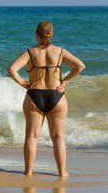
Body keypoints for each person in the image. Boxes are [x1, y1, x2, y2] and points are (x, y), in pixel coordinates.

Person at [8, 21, 85, 178]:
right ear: (51, 35)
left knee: (32, 136)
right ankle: (62, 172)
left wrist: (24, 83)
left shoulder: (30, 52)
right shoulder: (60, 51)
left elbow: (11, 69)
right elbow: (80, 66)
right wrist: (65, 81)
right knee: (58, 137)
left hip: (34, 96)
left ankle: (28, 171)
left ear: (36, 35)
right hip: (56, 96)